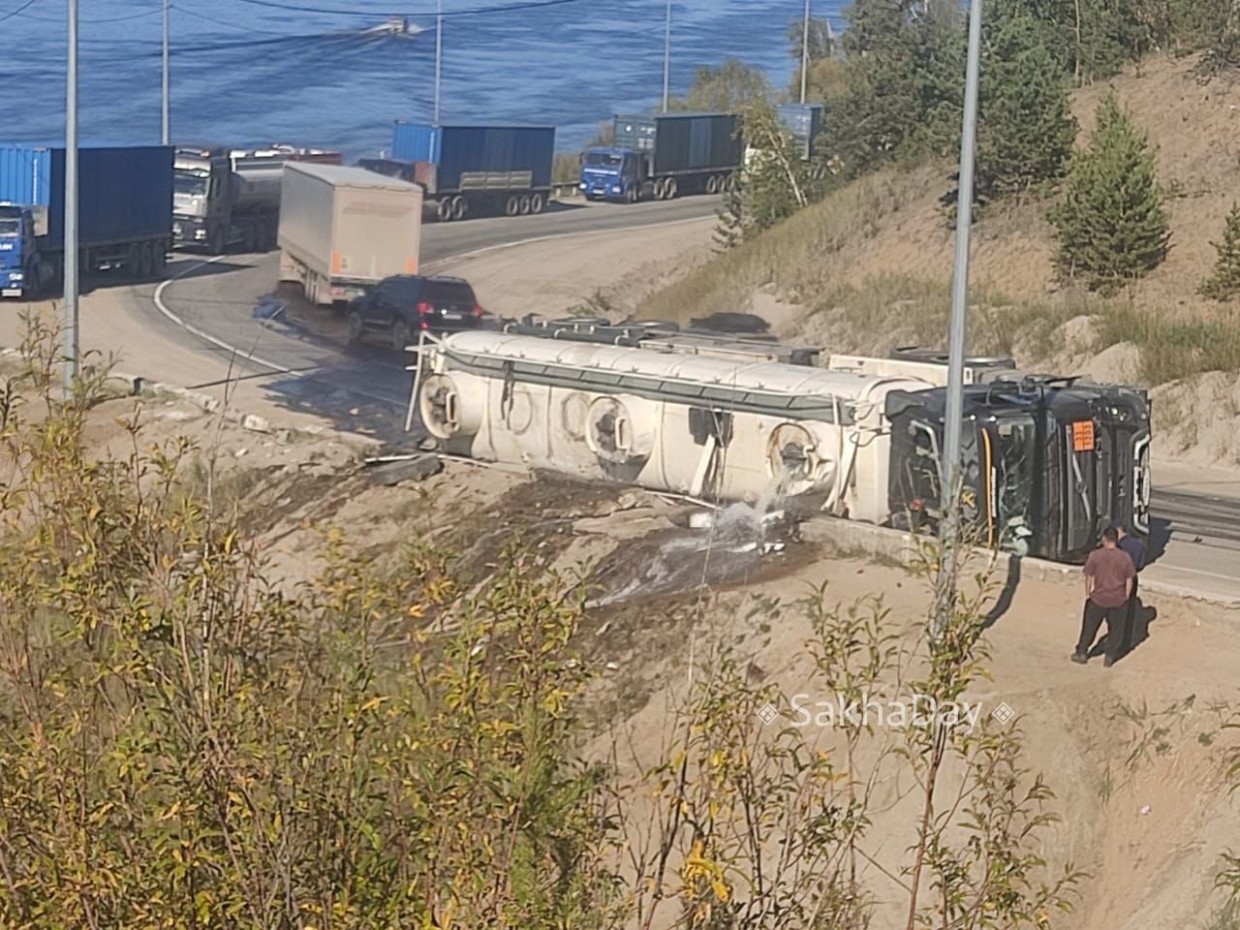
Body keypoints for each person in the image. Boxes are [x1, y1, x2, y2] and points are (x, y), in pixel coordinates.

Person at [1072, 526, 1136, 668]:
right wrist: (1126, 595)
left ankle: (1082, 652)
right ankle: (1109, 656)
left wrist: (1088, 594)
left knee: (1089, 627)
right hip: (1118, 600)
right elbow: (1129, 578)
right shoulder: (1125, 557)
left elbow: (1089, 576)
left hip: (1098, 598)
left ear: (1105, 539)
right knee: (1116, 630)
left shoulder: (1095, 555)